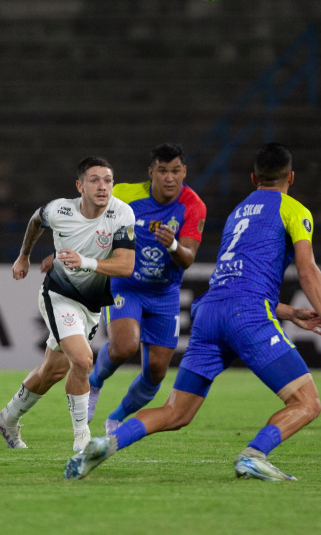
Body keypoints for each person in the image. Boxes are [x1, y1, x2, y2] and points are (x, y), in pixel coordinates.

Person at [65, 142, 321, 481]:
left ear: (253, 179)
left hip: (210, 312)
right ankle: (254, 454)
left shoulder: (238, 212)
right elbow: (307, 271)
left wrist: (288, 312)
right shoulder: (293, 210)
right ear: (290, 177)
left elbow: (235, 280)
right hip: (246, 315)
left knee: (176, 412)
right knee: (307, 403)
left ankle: (106, 444)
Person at [41, 143, 207, 434]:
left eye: (176, 171)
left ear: (184, 172)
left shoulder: (193, 206)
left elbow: (188, 259)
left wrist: (172, 244)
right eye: (163, 171)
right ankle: (93, 384)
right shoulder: (125, 195)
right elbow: (83, 217)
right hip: (124, 284)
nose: (170, 178)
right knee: (124, 346)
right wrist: (61, 252)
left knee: (155, 373)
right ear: (150, 172)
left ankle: (116, 417)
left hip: (165, 292)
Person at [0, 156, 136, 452]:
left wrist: (86, 262)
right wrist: (24, 256)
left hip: (91, 305)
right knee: (82, 361)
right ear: (80, 186)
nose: (103, 186)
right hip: (59, 294)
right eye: (94, 180)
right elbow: (36, 220)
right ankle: (82, 438)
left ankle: (7, 418)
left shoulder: (122, 214)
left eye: (108, 180)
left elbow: (126, 266)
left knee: (52, 371)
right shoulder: (61, 209)